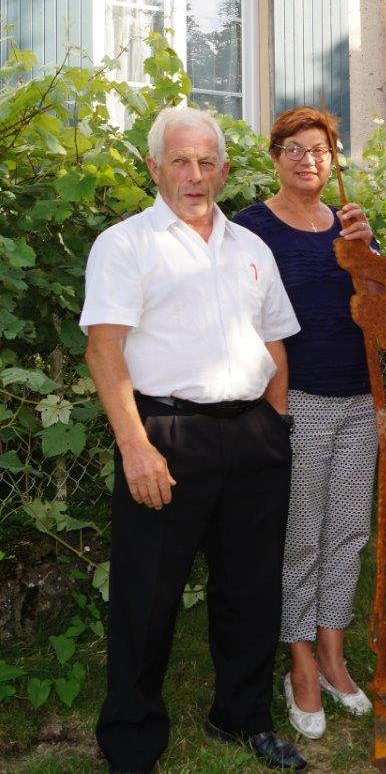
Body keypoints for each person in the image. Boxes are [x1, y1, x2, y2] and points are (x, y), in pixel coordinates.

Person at [83, 107, 306, 771]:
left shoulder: (252, 249)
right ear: (154, 168)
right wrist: (135, 446)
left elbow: (274, 341)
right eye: (179, 161)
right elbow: (104, 350)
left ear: (225, 171)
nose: (194, 175)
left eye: (207, 162)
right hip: (167, 436)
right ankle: (131, 738)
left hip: (253, 439)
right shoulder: (125, 245)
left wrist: (276, 422)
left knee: (252, 589)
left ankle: (240, 717)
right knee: (146, 597)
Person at [231, 107, 378, 740]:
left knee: (347, 531)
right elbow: (242, 321)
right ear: (274, 157)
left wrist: (368, 253)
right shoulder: (251, 230)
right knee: (300, 539)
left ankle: (333, 656)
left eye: (319, 149)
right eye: (293, 148)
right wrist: (276, 407)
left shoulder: (346, 224)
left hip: (356, 400)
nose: (307, 159)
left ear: (333, 159)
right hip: (297, 402)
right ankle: (298, 666)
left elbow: (380, 313)